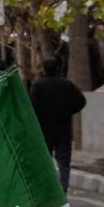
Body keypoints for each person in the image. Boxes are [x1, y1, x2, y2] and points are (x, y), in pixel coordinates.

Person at [28, 58, 87, 189]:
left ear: (43, 70)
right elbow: (81, 101)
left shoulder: (38, 86)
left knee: (45, 161)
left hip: (44, 129)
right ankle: (63, 189)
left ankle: (48, 190)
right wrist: (69, 111)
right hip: (63, 128)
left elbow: (30, 107)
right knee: (64, 162)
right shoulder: (67, 84)